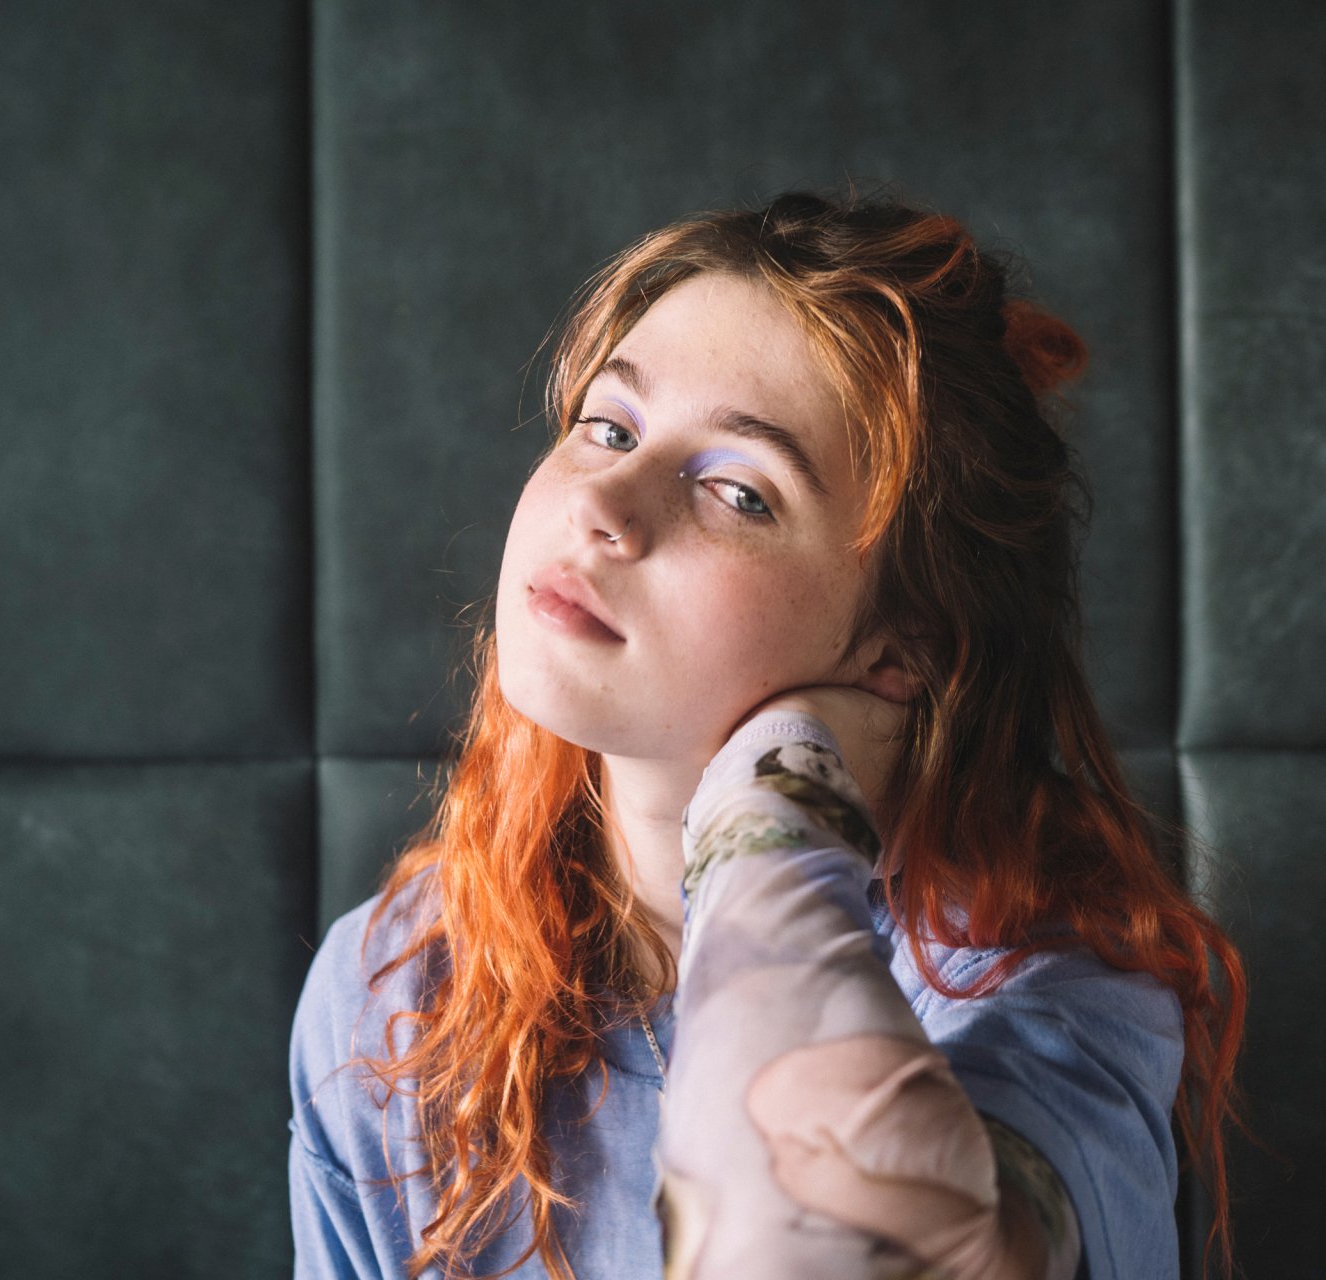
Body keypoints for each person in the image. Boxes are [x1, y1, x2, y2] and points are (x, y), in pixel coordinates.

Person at [287, 189, 1248, 1280]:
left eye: (738, 492)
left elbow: (828, 1235)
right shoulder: (394, 991)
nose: (605, 499)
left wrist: (773, 786)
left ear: (901, 647)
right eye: (608, 425)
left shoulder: (1053, 999)